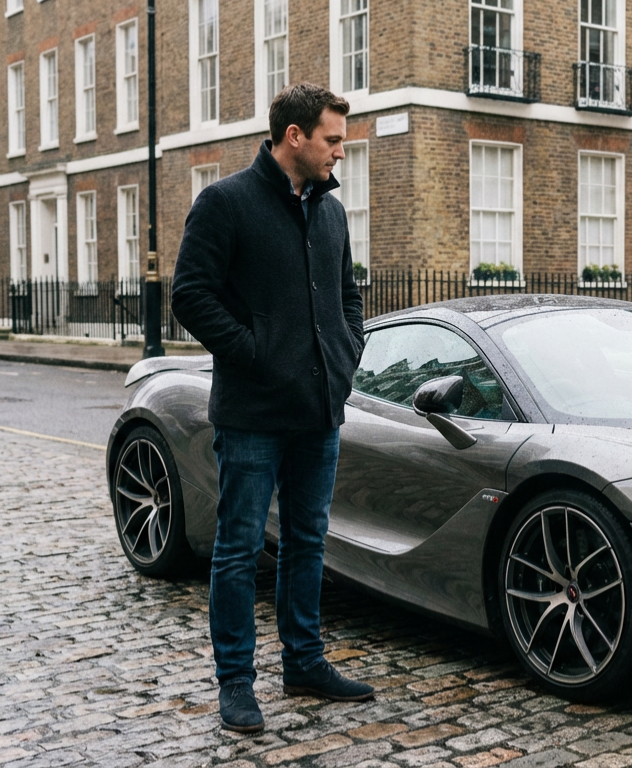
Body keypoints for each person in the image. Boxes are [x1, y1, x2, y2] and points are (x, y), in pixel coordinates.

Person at [171, 83, 372, 735]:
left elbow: (347, 296)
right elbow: (190, 295)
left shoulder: (332, 212)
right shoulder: (225, 202)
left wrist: (345, 354)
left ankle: (304, 663)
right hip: (252, 414)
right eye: (332, 140)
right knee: (238, 549)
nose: (340, 151)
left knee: (308, 541)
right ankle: (235, 682)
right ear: (295, 137)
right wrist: (254, 353)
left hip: (319, 410)